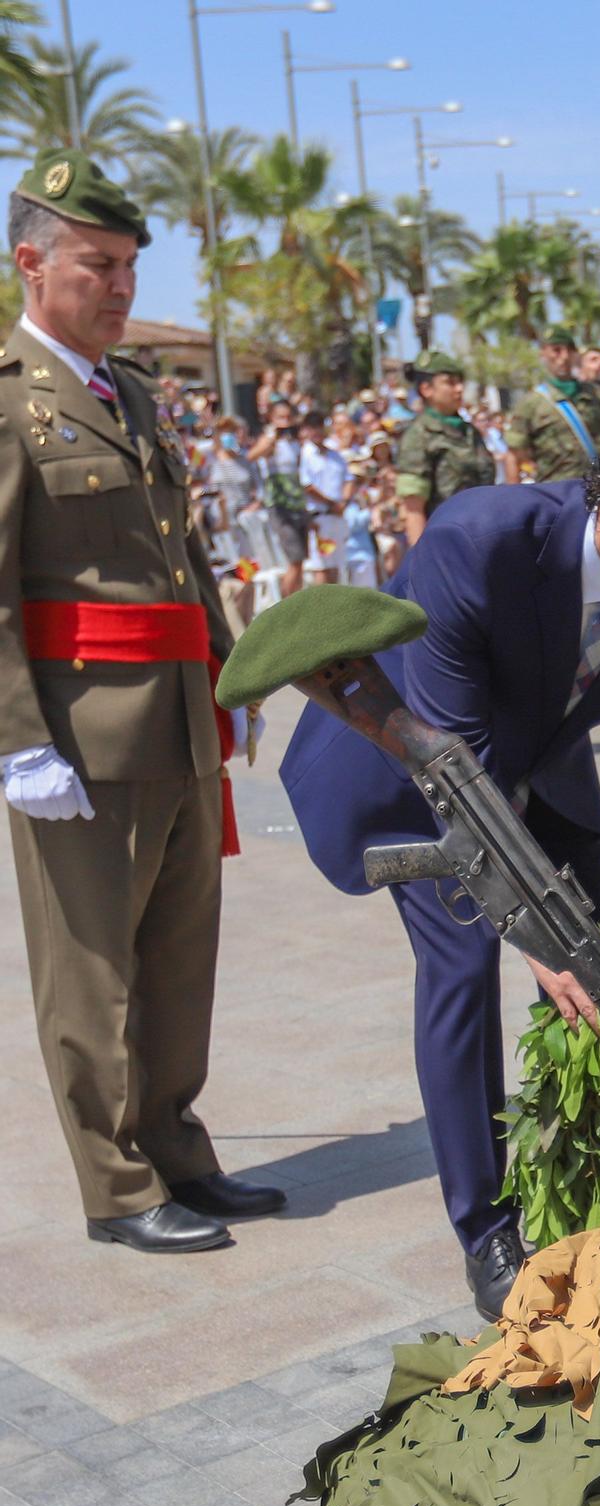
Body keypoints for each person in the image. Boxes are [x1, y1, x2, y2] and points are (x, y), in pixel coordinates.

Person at [280, 404, 600, 1317]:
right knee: (467, 961)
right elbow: (454, 771)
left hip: (534, 767)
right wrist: (538, 939)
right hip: (404, 766)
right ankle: (486, 1228)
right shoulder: (484, 538)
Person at [0, 148, 283, 1251]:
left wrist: (230, 672)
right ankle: (116, 1187)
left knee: (176, 956)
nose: (117, 286)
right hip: (79, 735)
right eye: (94, 264)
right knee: (92, 969)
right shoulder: (15, 402)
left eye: (127, 266)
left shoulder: (138, 396)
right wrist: (20, 740)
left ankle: (175, 1147)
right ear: (31, 263)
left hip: (173, 719)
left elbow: (189, 557)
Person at [394, 350, 495, 546]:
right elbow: (413, 509)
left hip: (481, 539)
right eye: (450, 383)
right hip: (445, 544)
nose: (459, 389)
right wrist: (424, 563)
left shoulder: (469, 432)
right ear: (426, 389)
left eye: (460, 382)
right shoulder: (419, 436)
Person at [504, 325, 600, 483]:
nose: (564, 357)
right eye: (556, 350)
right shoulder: (532, 403)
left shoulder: (596, 395)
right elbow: (514, 455)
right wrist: (512, 501)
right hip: (554, 493)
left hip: (596, 487)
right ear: (543, 353)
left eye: (570, 350)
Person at [248, 397, 307, 596]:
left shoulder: (294, 442)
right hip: (280, 506)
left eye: (288, 417)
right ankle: (286, 607)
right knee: (295, 559)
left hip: (298, 504)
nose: (285, 421)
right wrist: (271, 438)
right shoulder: (268, 439)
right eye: (280, 417)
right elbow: (252, 456)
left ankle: (296, 603)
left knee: (300, 562)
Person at [298, 407, 349, 584]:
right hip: (318, 517)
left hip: (337, 515)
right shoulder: (304, 454)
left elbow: (348, 479)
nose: (317, 431)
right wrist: (331, 504)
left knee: (335, 565)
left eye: (319, 426)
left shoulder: (335, 455)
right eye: (312, 427)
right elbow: (307, 486)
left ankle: (333, 609)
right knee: (321, 566)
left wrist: (343, 502)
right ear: (306, 430)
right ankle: (321, 609)